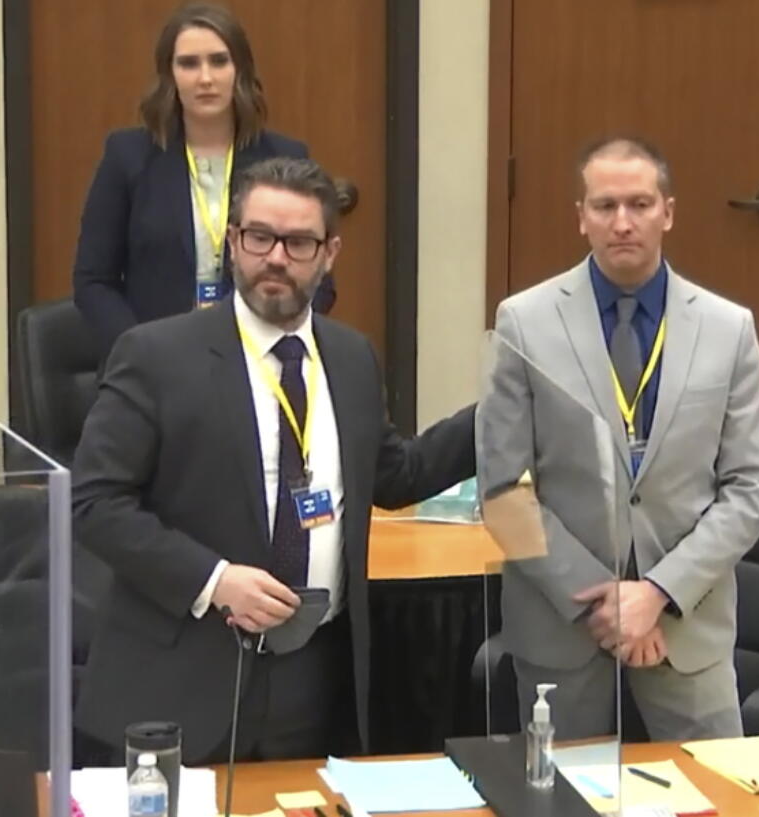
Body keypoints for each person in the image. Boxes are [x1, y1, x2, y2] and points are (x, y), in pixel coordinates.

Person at [71, 157, 475, 764]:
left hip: (313, 675)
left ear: (329, 252)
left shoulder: (351, 357)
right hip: (183, 676)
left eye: (299, 242)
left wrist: (500, 412)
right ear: (233, 242)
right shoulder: (156, 355)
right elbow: (94, 503)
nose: (276, 257)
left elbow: (394, 476)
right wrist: (215, 581)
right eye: (259, 237)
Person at [479, 136, 759, 741]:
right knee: (559, 802)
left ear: (668, 212)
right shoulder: (524, 322)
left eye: (639, 205)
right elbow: (503, 494)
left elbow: (752, 487)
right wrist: (602, 602)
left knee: (717, 798)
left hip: (685, 621)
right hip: (563, 624)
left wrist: (658, 594)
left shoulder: (729, 329)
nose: (622, 222)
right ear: (581, 217)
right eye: (605, 205)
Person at [72, 3, 336, 358]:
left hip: (256, 359)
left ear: (239, 69)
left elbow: (319, 282)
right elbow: (93, 282)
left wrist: (270, 337)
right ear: (170, 74)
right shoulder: (127, 156)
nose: (205, 78)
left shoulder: (284, 158)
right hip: (153, 363)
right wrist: (142, 351)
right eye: (189, 64)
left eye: (219, 61)